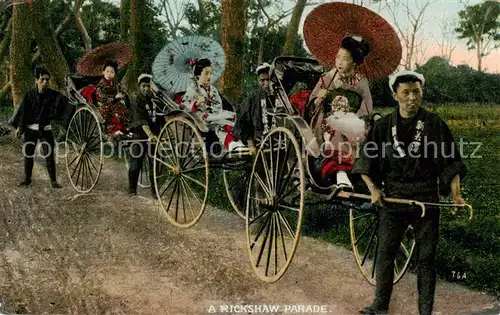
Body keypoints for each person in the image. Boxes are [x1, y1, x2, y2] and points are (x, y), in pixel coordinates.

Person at [351, 71, 466, 315]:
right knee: (385, 253)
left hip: (426, 199)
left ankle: (426, 312)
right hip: (392, 198)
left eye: (417, 92)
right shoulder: (382, 128)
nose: (412, 98)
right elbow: (364, 163)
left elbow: (451, 163)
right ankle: (380, 306)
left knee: (426, 259)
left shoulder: (434, 124)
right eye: (406, 93)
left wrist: (456, 195)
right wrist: (373, 190)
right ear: (395, 95)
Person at [308, 36, 373, 189]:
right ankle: (339, 173)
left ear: (355, 62)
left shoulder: (361, 82)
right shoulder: (327, 78)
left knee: (361, 131)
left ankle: (361, 174)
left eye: (345, 59)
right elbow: (311, 104)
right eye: (338, 57)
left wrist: (359, 120)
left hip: (354, 118)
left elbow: (367, 106)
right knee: (336, 129)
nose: (339, 62)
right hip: (328, 117)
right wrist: (319, 98)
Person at [13, 67, 68, 188]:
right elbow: (23, 112)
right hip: (30, 129)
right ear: (36, 80)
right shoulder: (29, 95)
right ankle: (27, 179)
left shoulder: (54, 95)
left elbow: (64, 102)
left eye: (47, 80)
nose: (45, 82)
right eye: (42, 79)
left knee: (49, 155)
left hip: (45, 129)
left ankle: (53, 181)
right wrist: (19, 128)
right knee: (28, 155)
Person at [181, 58, 247, 152]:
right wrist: (197, 103)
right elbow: (184, 105)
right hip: (201, 118)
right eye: (206, 73)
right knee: (220, 120)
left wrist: (212, 104)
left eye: (210, 73)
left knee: (232, 116)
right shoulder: (192, 90)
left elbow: (219, 105)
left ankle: (236, 141)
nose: (209, 77)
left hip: (214, 114)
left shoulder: (213, 89)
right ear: (198, 75)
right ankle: (230, 143)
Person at [127, 74, 162, 198]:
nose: (146, 89)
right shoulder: (136, 99)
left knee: (155, 162)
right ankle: (132, 190)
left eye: (148, 86)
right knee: (136, 161)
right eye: (143, 86)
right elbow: (140, 119)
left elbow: (161, 117)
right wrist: (150, 134)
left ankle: (155, 192)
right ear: (139, 86)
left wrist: (157, 134)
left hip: (153, 135)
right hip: (139, 133)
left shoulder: (155, 99)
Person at [232, 62, 276, 154]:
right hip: (258, 143)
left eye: (268, 80)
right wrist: (251, 144)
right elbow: (244, 121)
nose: (266, 83)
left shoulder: (279, 96)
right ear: (258, 81)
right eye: (262, 80)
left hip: (278, 141)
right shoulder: (253, 97)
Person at [94, 60, 129, 138]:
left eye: (112, 72)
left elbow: (122, 91)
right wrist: (114, 97)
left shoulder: (116, 83)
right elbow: (100, 95)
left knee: (121, 106)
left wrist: (122, 94)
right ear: (103, 72)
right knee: (113, 109)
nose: (109, 74)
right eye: (107, 71)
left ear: (114, 74)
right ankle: (112, 130)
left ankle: (122, 128)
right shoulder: (101, 84)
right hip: (103, 103)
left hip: (115, 102)